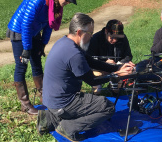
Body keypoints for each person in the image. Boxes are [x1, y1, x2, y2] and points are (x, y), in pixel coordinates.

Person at [36, 13, 135, 141]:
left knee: (90, 102)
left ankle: (48, 118)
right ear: (79, 32)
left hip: (51, 100)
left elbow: (91, 61)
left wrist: (117, 68)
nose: (91, 36)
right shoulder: (74, 54)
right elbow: (92, 80)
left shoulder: (64, 41)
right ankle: (68, 127)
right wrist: (116, 75)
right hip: (63, 102)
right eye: (90, 33)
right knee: (108, 107)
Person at [6, 0, 79, 115]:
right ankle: (25, 104)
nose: (68, 2)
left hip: (33, 32)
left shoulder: (55, 5)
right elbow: (26, 24)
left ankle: (45, 98)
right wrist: (26, 49)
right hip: (19, 31)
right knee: (22, 65)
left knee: (37, 63)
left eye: (70, 1)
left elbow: (49, 25)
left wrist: (43, 44)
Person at [87, 19, 133, 94]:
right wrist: (104, 63)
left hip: (117, 68)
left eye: (117, 38)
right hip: (99, 68)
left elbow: (128, 56)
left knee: (117, 89)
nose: (114, 40)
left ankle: (113, 90)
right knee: (97, 89)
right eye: (112, 37)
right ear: (106, 31)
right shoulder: (95, 39)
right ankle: (96, 96)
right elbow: (89, 59)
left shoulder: (123, 39)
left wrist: (119, 64)